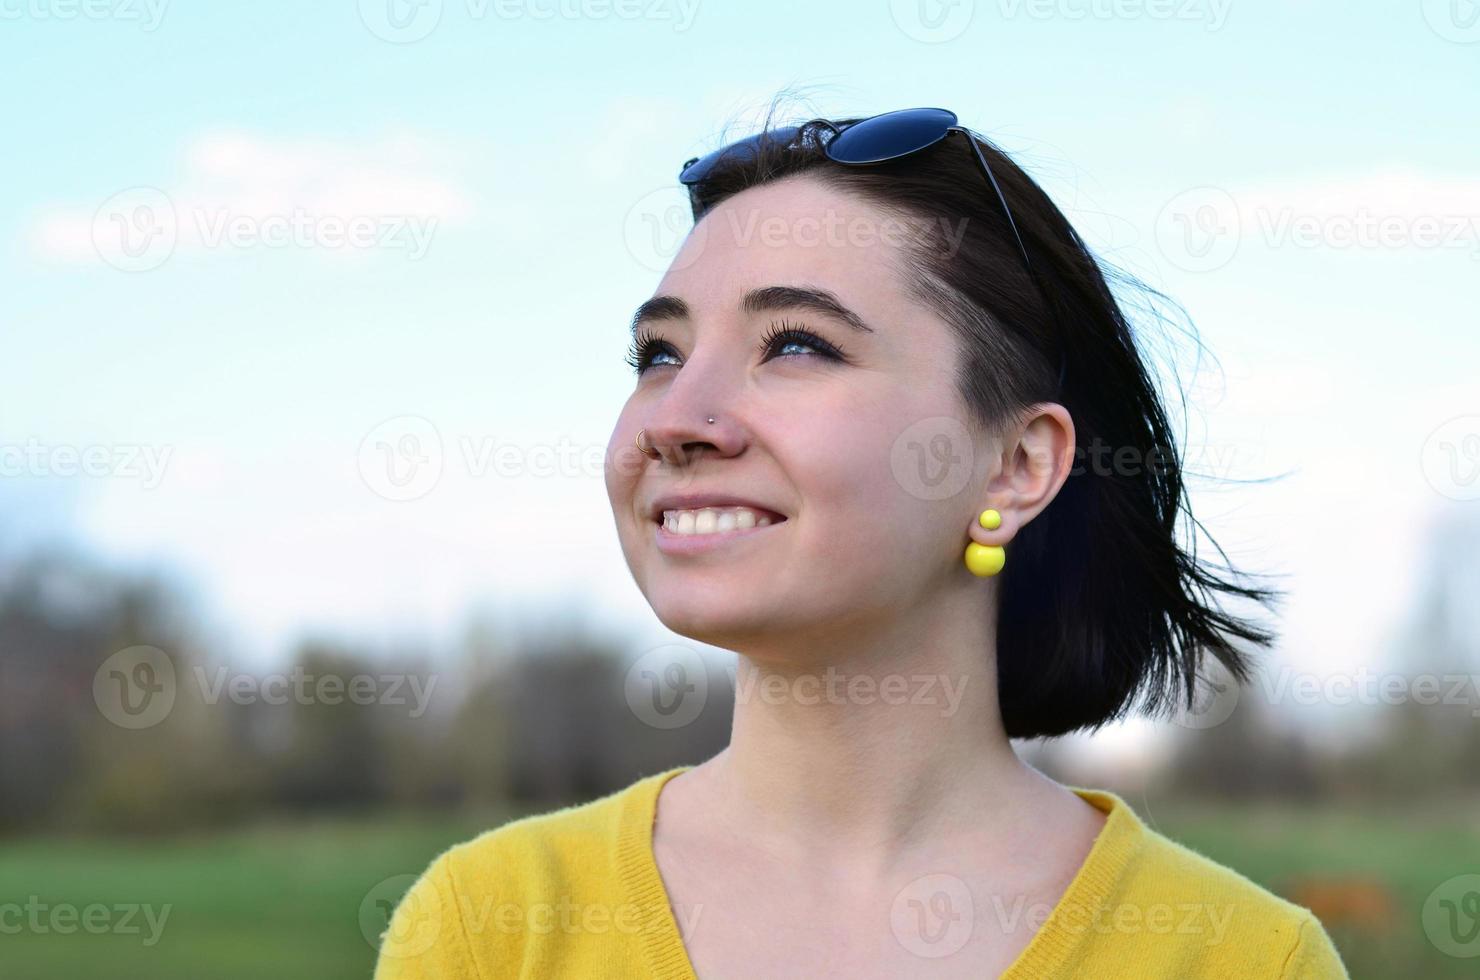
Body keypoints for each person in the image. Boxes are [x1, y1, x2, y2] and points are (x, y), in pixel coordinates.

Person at [374, 103, 1349, 978]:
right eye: (658, 354)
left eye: (795, 343)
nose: (676, 415)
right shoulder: (487, 931)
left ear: (1016, 465)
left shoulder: (1241, 958)